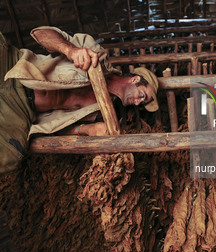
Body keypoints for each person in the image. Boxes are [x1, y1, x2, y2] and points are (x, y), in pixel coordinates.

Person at [0, 26, 159, 173]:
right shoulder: (95, 54)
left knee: (11, 157)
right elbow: (41, 33)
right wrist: (70, 50)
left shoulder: (101, 112)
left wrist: (88, 129)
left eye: (142, 103)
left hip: (21, 107)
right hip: (14, 66)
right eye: (142, 96)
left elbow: (61, 127)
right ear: (135, 79)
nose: (137, 102)